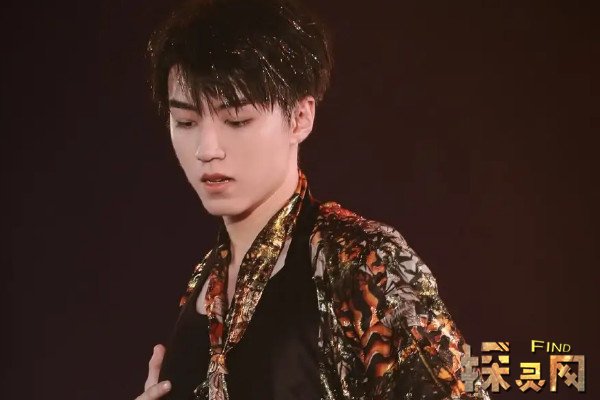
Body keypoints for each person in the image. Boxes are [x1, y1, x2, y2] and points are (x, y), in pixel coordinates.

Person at [136, 0, 490, 399]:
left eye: (237, 120)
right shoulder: (206, 281)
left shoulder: (362, 261)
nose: (207, 149)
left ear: (300, 117)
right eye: (185, 121)